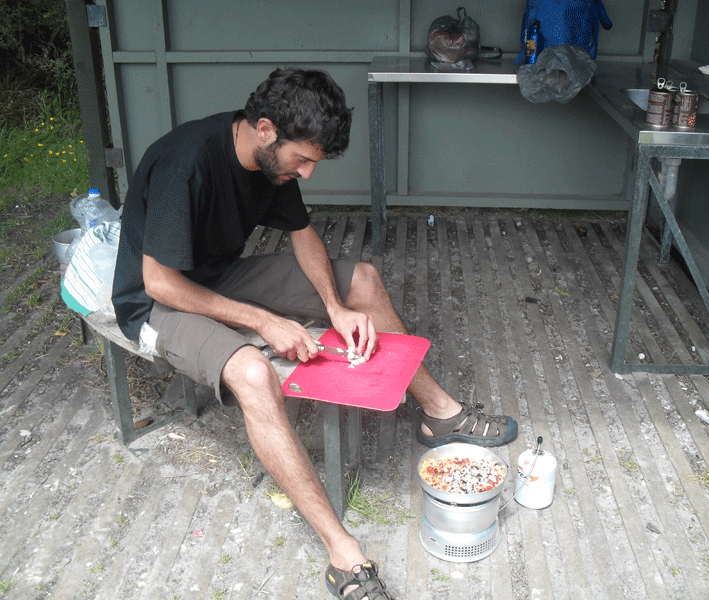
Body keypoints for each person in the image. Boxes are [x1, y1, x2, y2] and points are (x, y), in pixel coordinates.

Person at [112, 67, 517, 600]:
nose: (306, 172)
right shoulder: (185, 163)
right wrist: (262, 320)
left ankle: (441, 413)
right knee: (254, 373)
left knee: (363, 280)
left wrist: (334, 307)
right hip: (157, 303)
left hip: (217, 278)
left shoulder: (272, 165)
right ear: (264, 129)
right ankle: (343, 553)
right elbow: (160, 281)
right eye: (302, 159)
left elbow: (303, 236)